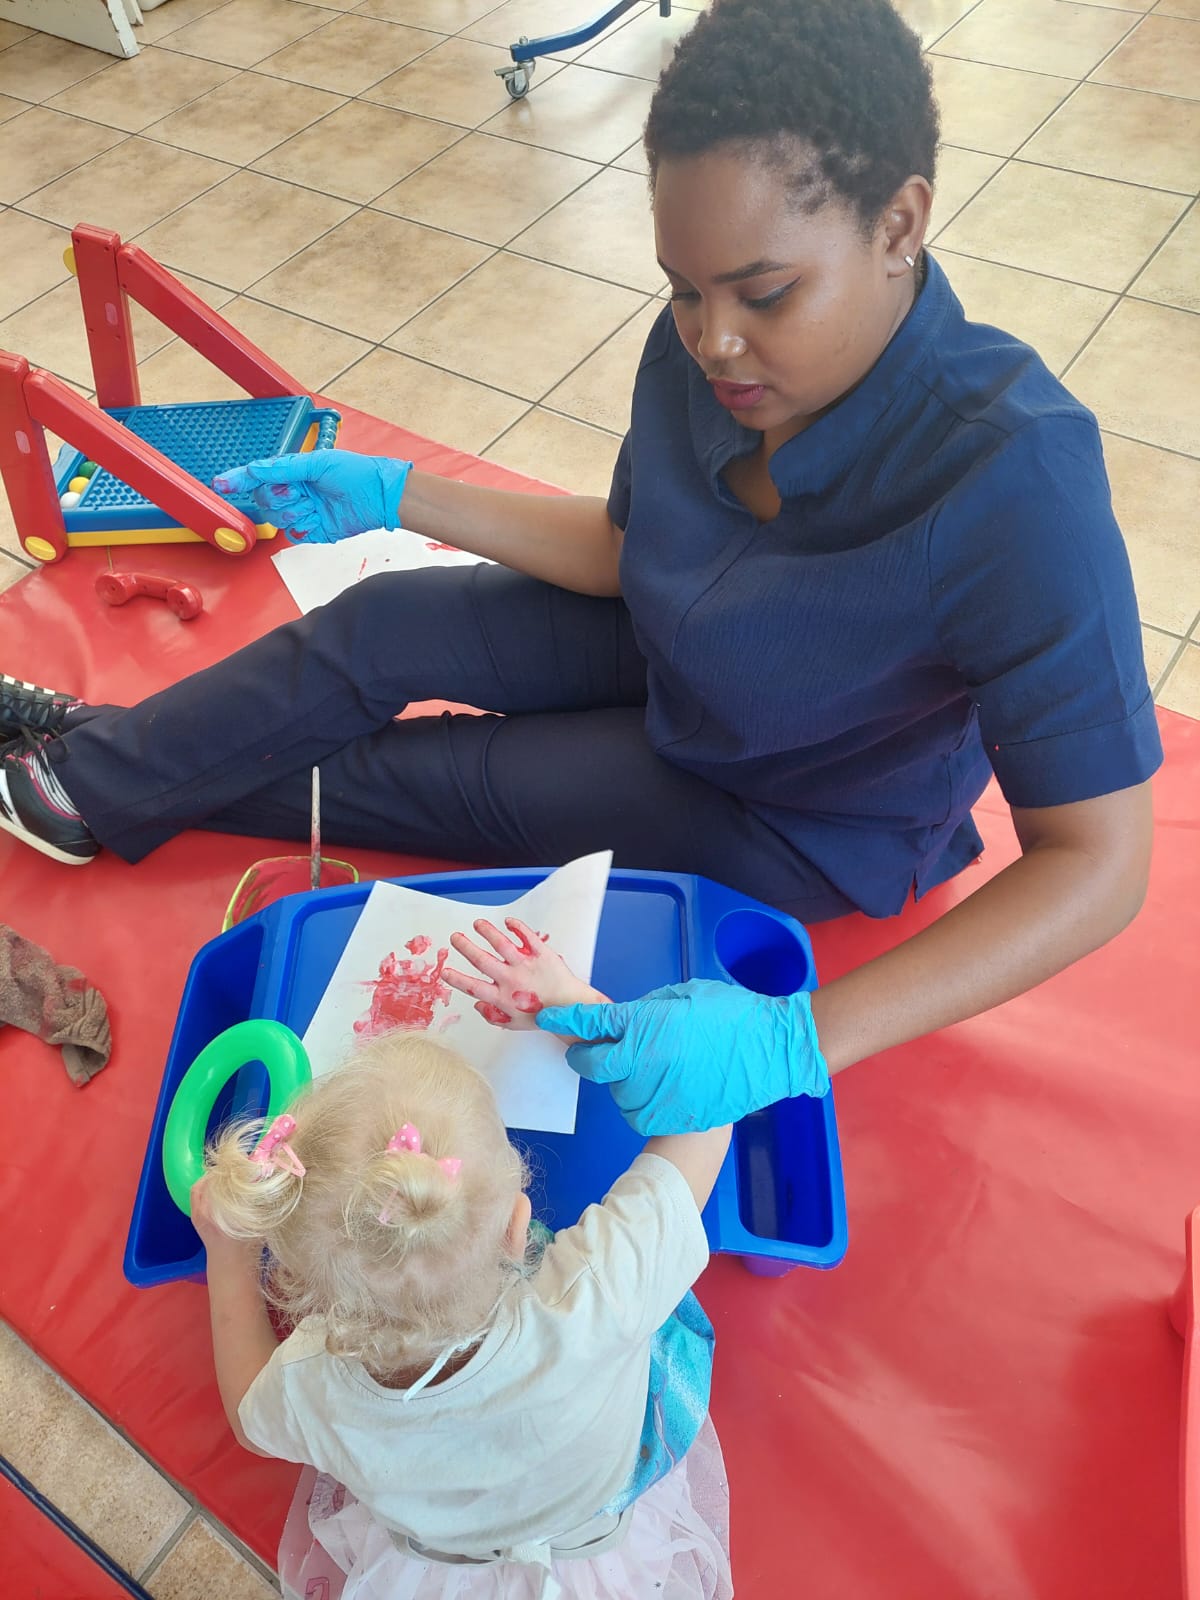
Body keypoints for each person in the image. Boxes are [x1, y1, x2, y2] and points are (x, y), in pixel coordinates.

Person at [0, 0, 1158, 1093]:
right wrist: (401, 495)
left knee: (435, 777)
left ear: (898, 224)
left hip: (788, 801)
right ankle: (92, 769)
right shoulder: (706, 347)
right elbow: (621, 548)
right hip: (676, 645)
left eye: (763, 294)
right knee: (382, 623)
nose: (714, 340)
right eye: (683, 289)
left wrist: (797, 1038)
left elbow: (1098, 861)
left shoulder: (1016, 477)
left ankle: (96, 755)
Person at [192, 918, 733, 1599]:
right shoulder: (597, 1296)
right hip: (599, 1532)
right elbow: (709, 1100)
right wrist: (574, 1011)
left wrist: (228, 1256)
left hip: (441, 1566)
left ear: (298, 1280)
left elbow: (249, 1417)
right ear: (517, 1228)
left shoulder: (312, 1387)